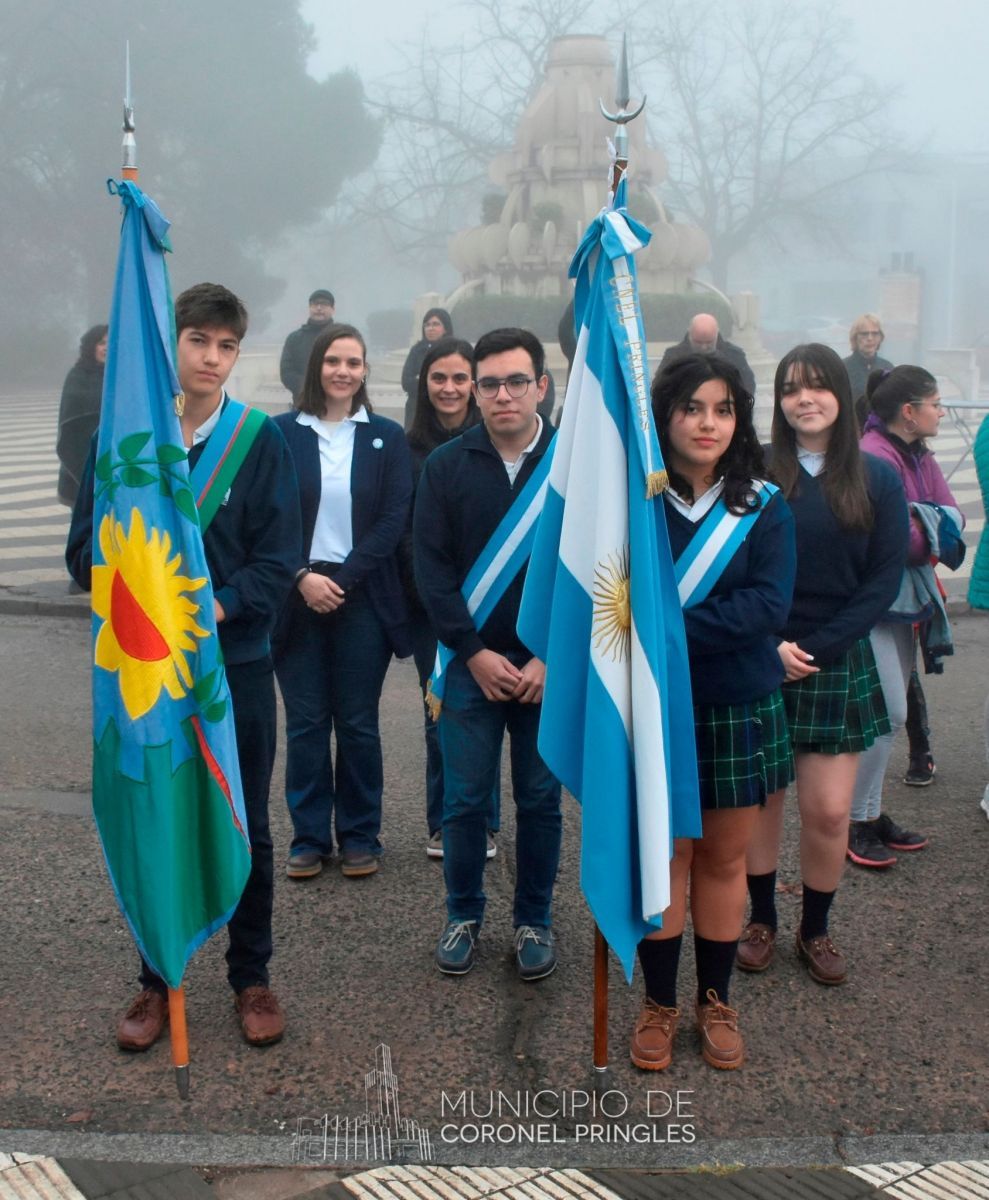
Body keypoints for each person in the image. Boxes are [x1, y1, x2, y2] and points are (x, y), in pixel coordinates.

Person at [67, 283, 302, 1049]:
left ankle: (251, 976)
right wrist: (139, 592)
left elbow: (278, 560)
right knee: (156, 813)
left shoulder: (257, 439)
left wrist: (210, 609)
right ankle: (156, 978)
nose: (211, 358)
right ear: (170, 346)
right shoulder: (123, 439)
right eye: (198, 340)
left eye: (226, 346)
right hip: (147, 670)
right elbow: (82, 554)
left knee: (247, 821)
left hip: (231, 664)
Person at [630, 355, 795, 1073]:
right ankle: (660, 1005)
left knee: (725, 859)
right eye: (692, 407)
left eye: (722, 409)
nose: (707, 423)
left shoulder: (762, 504)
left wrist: (661, 631)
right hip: (652, 706)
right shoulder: (634, 502)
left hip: (734, 703)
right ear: (665, 413)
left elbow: (767, 605)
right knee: (665, 860)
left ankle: (714, 999)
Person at [738, 344, 908, 986]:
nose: (803, 399)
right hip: (759, 655)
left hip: (834, 659)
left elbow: (882, 579)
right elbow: (737, 567)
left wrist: (819, 649)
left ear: (841, 393)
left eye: (816, 387)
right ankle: (760, 921)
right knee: (759, 803)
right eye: (790, 389)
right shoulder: (754, 474)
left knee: (830, 811)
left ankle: (815, 927)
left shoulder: (876, 477)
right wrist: (770, 645)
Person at [414, 327, 561, 980]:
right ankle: (462, 914)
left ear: (542, 386)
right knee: (464, 802)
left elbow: (596, 572)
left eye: (516, 381)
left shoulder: (574, 466)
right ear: (474, 391)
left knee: (539, 802)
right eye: (490, 383)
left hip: (546, 673)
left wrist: (550, 657)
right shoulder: (446, 466)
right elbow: (431, 570)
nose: (503, 395)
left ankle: (534, 918)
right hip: (471, 669)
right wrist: (471, 653)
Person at [273, 324, 412, 882]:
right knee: (306, 723)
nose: (343, 371)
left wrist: (344, 578)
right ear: (316, 367)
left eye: (354, 362)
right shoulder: (280, 433)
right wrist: (302, 575)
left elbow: (392, 518)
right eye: (333, 361)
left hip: (362, 596)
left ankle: (359, 835)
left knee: (356, 722)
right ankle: (308, 838)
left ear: (364, 372)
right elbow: (268, 517)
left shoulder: (386, 436)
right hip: (295, 593)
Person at [848, 367, 963, 866]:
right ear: (910, 413)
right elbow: (906, 540)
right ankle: (854, 822)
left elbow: (951, 515)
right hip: (875, 602)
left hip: (901, 602)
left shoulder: (915, 452)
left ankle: (869, 814)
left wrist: (929, 520)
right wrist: (929, 522)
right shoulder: (875, 454)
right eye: (935, 403)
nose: (941, 411)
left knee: (889, 715)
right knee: (889, 714)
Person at [403, 336, 500, 860]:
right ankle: (444, 820)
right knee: (440, 714)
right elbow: (404, 528)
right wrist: (430, 594)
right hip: (435, 609)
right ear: (424, 384)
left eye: (460, 378)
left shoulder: (495, 439)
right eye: (438, 377)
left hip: (497, 607)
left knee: (493, 714)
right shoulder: (407, 446)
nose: (449, 388)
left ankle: (484, 822)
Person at [56, 324, 107, 506]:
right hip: (80, 462)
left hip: (111, 463)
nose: (106, 347)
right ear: (91, 346)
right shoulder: (78, 376)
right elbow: (70, 425)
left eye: (110, 343)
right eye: (101, 343)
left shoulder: (119, 376)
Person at [658, 313, 756, 396]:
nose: (704, 347)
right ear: (689, 335)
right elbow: (660, 388)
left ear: (717, 334)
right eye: (698, 342)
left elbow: (748, 388)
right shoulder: (673, 357)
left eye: (709, 342)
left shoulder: (735, 356)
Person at [279, 289, 336, 404]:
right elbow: (286, 372)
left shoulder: (344, 338)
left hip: (337, 405)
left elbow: (360, 373)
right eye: (315, 304)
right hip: (303, 404)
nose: (319, 308)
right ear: (309, 308)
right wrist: (309, 389)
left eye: (324, 304)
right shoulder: (294, 338)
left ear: (333, 309)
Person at [401, 307, 453, 429]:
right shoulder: (417, 350)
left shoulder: (453, 350)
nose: (431, 328)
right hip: (416, 409)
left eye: (436, 324)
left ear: (445, 328)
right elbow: (406, 382)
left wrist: (421, 378)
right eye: (427, 325)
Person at [843, 313, 892, 406]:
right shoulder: (843, 367)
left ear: (880, 338)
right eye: (864, 334)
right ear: (855, 338)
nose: (870, 338)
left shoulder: (887, 367)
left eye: (875, 334)